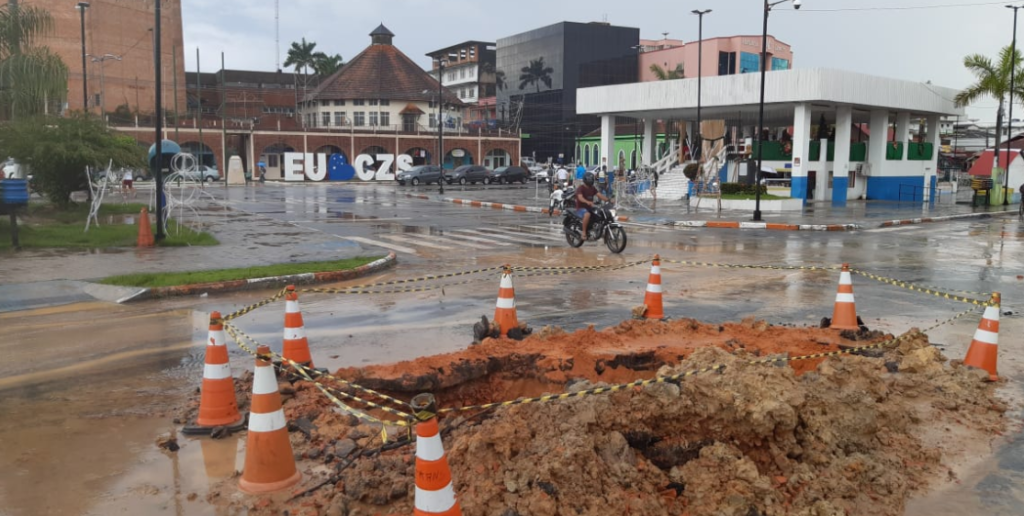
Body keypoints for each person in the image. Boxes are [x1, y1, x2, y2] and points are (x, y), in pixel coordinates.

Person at [576, 172, 610, 241]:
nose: (590, 180)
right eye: (589, 179)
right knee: (587, 214)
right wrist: (587, 202)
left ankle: (599, 231)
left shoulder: (592, 188)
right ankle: (584, 232)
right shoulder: (581, 188)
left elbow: (599, 195)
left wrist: (608, 200)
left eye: (591, 179)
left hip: (590, 208)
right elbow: (580, 197)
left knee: (600, 215)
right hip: (581, 209)